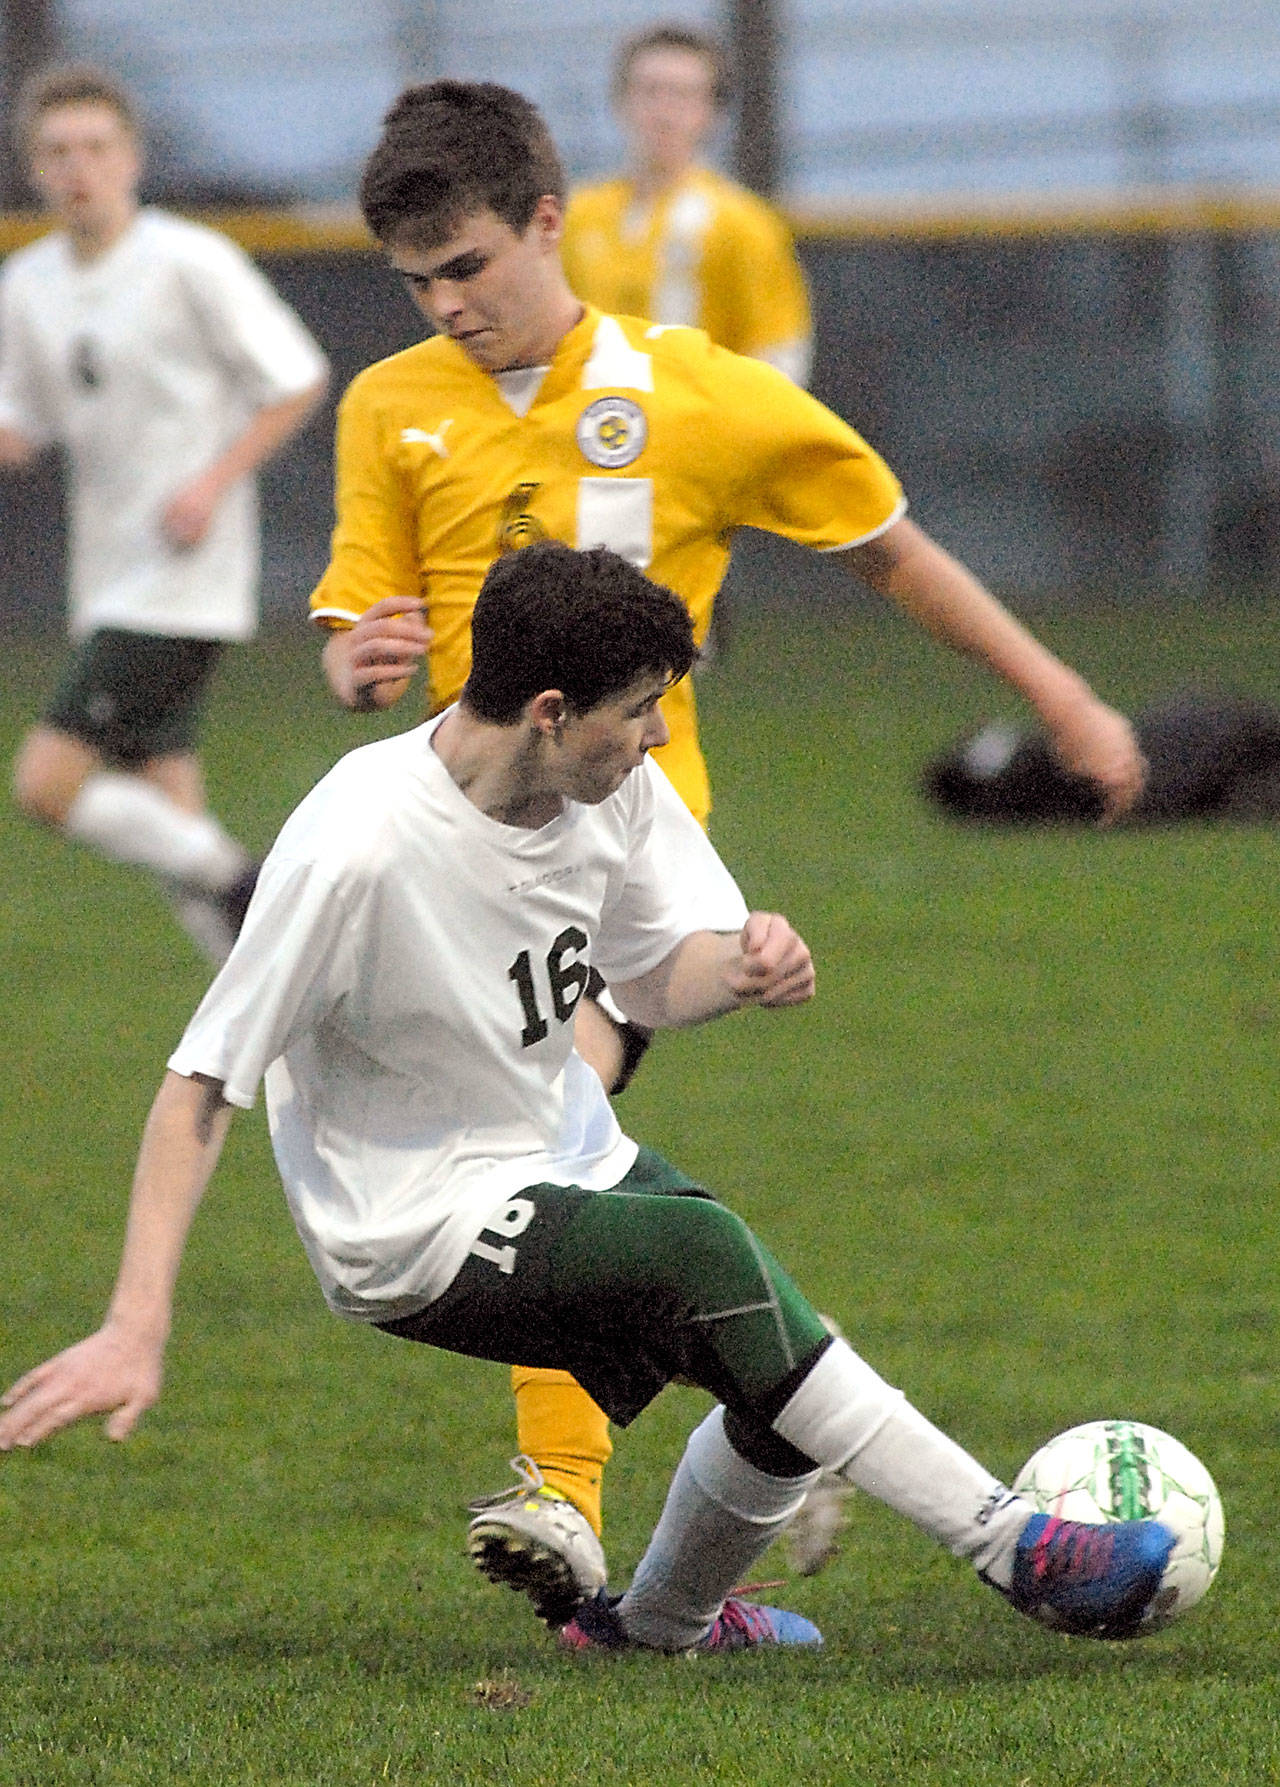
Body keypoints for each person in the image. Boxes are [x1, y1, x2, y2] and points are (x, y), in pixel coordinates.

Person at [0, 542, 1176, 1659]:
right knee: (706, 1253)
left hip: (560, 1151)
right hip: (411, 1221)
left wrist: (744, 970)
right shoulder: (355, 846)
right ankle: (1018, 1548)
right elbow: (200, 1083)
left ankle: (652, 1626)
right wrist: (136, 1321)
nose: (658, 734)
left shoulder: (611, 786)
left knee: (778, 1361)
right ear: (551, 713)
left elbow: (657, 971)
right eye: (638, 709)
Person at [310, 79, 1146, 1620]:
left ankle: (568, 1497)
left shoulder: (693, 396)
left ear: (548, 221)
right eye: (415, 282)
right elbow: (361, 607)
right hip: (451, 847)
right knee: (581, 1174)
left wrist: (1063, 693)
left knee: (560, 1105)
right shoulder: (389, 405)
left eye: (470, 267)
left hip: (628, 848)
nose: (447, 305)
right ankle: (732, 1465)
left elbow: (889, 543)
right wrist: (356, 658)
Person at [0, 66, 328, 963]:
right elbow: (21, 422)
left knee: (47, 784)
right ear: (33, 168)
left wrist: (210, 482)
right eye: (57, 152)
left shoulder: (191, 260)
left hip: (186, 574)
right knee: (165, 807)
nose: (79, 168)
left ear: (132, 158)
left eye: (97, 148)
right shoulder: (28, 282)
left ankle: (247, 881)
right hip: (104, 576)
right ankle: (257, 1007)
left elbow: (294, 378)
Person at [562, 23, 813, 387]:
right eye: (650, 92)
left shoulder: (744, 224)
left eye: (682, 95)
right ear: (621, 101)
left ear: (712, 111)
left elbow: (778, 358)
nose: (664, 112)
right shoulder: (577, 216)